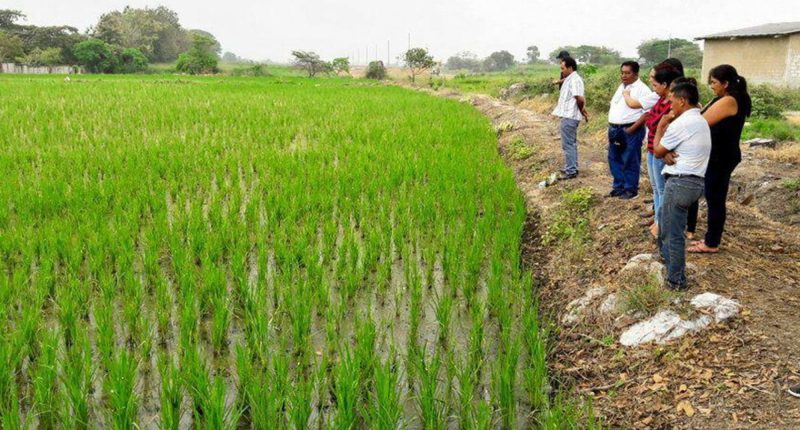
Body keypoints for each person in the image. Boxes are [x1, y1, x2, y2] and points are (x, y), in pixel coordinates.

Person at [686, 65, 752, 253]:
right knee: (714, 196)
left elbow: (701, 122)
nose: (712, 86)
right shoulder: (728, 98)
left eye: (714, 82)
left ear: (726, 83)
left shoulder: (729, 100)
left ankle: (711, 242)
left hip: (721, 156)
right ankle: (711, 239)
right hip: (721, 155)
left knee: (715, 198)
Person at [653, 80, 711, 290]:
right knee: (667, 225)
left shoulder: (682, 123)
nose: (670, 107)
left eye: (672, 102)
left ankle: (676, 280)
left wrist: (660, 126)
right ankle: (667, 263)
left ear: (683, 101)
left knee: (672, 232)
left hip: (680, 182)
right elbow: (669, 151)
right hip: (694, 182)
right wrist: (666, 152)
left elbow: (657, 150)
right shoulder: (700, 120)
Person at [637, 65, 682, 238]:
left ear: (665, 84)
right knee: (656, 188)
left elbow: (657, 124)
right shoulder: (660, 100)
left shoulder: (672, 105)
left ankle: (661, 225)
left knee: (662, 190)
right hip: (651, 149)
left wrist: (657, 124)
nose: (653, 88)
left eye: (655, 85)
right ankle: (658, 220)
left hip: (660, 151)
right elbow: (652, 122)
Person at [607, 61, 654, 199]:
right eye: (622, 72)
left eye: (628, 73)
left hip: (631, 128)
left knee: (630, 159)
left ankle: (630, 189)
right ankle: (618, 187)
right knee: (614, 158)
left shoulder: (642, 89)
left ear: (636, 73)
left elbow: (648, 113)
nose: (624, 75)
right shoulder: (621, 87)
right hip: (615, 129)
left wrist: (633, 128)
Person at [551, 56, 588, 180]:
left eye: (563, 68)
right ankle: (572, 167)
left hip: (570, 116)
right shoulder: (570, 78)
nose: (562, 71)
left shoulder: (575, 80)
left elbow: (579, 98)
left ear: (570, 68)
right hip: (569, 115)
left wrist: (582, 110)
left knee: (568, 144)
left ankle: (571, 170)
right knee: (570, 143)